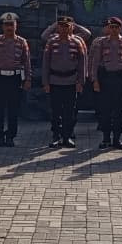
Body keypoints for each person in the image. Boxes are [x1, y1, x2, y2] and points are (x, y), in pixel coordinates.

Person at [88, 16, 122, 149]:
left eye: (116, 27)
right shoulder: (101, 43)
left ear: (121, 28)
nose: (114, 30)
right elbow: (95, 63)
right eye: (111, 27)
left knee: (119, 111)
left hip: (120, 80)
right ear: (108, 28)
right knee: (105, 111)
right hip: (105, 79)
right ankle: (105, 139)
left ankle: (117, 139)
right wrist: (95, 81)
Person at [42, 16, 87, 148]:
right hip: (55, 81)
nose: (63, 28)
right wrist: (46, 82)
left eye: (66, 26)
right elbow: (46, 63)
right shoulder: (51, 42)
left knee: (69, 111)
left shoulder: (77, 42)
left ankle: (67, 137)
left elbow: (82, 63)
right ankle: (56, 136)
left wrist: (81, 81)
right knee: (55, 111)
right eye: (61, 25)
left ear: (71, 27)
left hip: (71, 81)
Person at [0, 12, 31, 147]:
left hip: (15, 78)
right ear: (2, 26)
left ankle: (11, 136)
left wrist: (28, 79)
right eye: (6, 25)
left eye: (11, 24)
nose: (9, 28)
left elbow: (26, 62)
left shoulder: (22, 42)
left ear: (16, 26)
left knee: (13, 109)